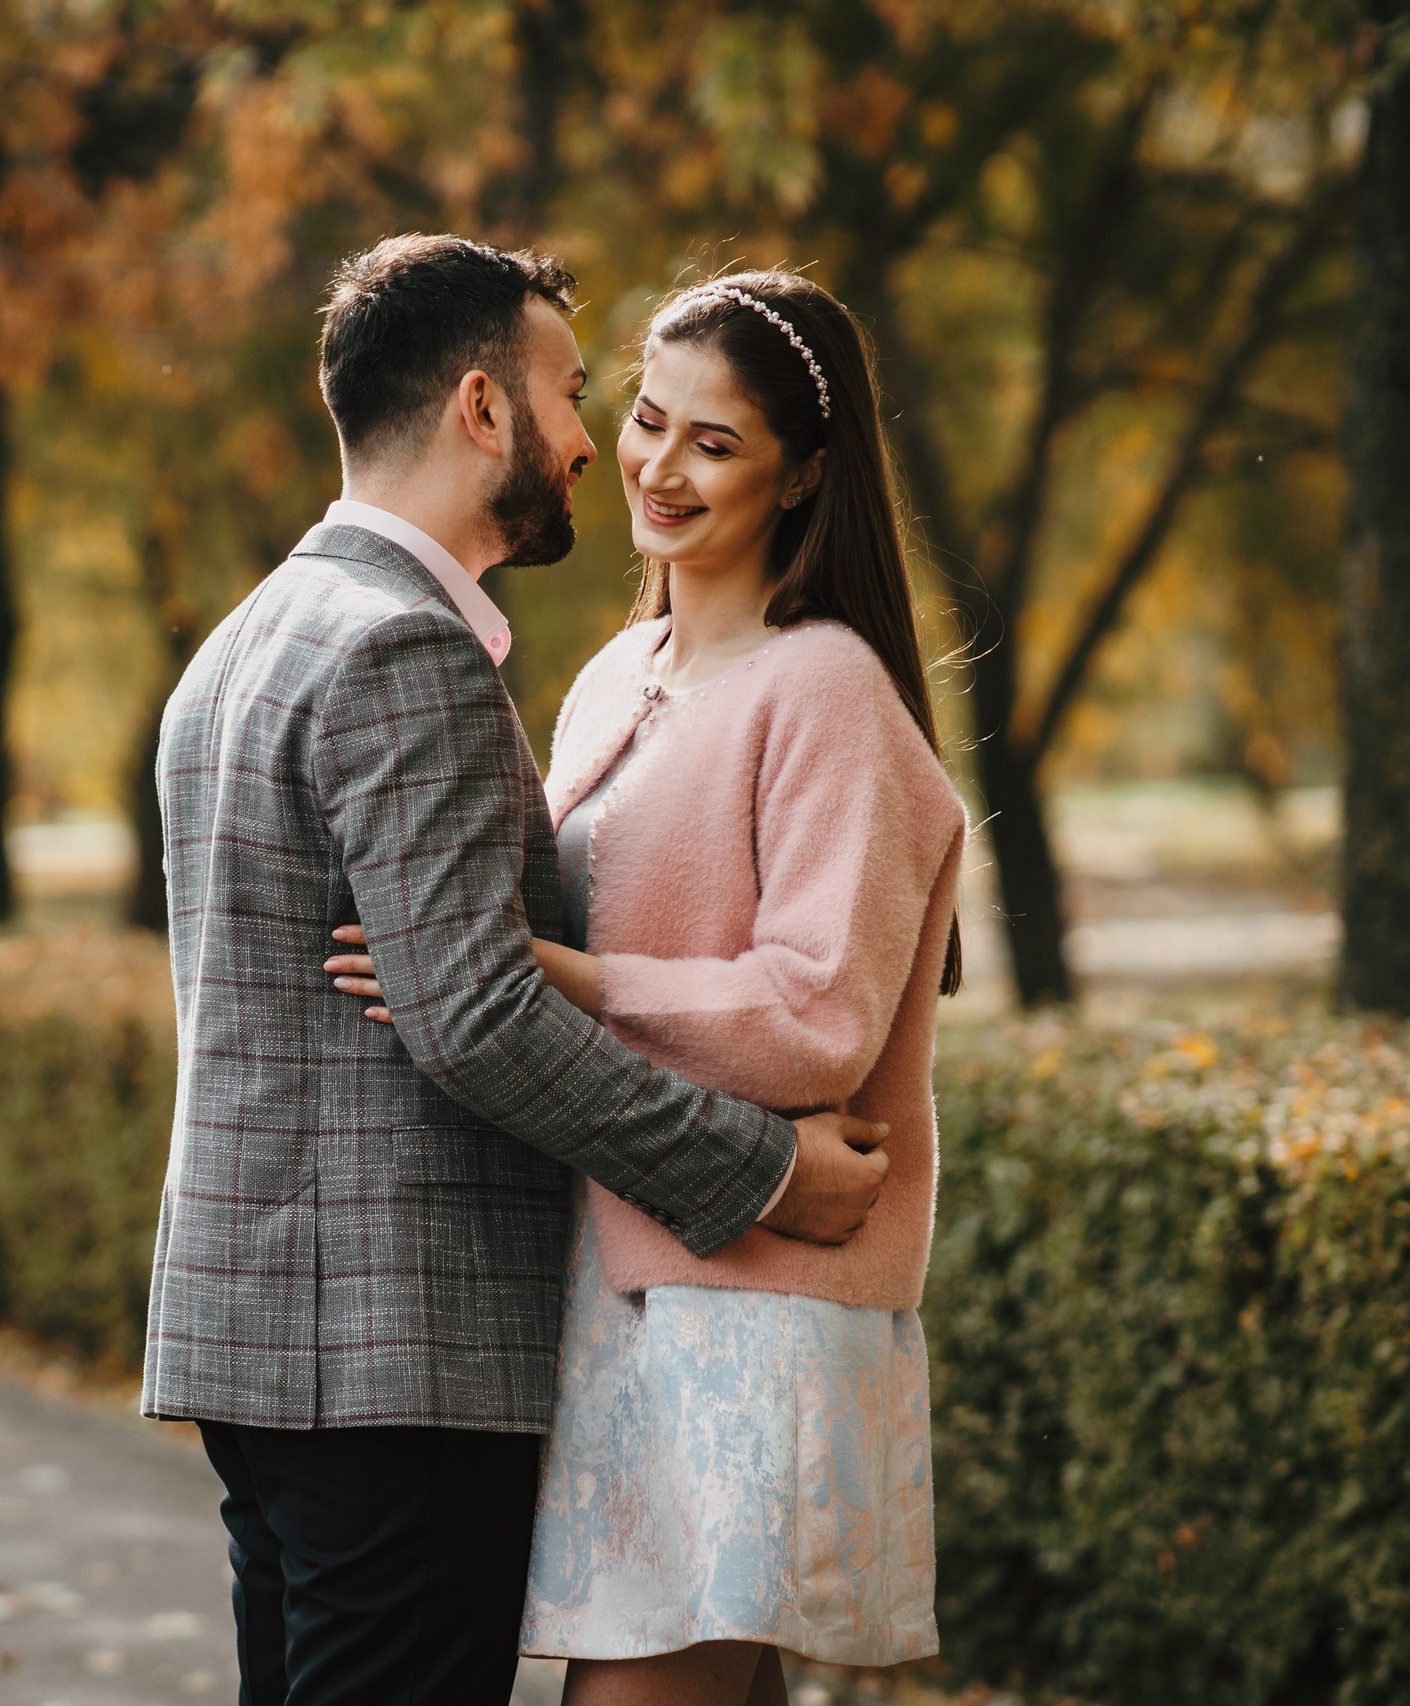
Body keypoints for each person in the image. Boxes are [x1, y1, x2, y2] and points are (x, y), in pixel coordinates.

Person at [146, 235, 895, 1706]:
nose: (589, 444)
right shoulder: (400, 650)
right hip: (390, 1357)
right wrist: (760, 1171)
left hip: (265, 1342)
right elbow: (480, 1013)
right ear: (483, 409)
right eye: (573, 392)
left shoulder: (249, 638)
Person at [326, 272, 968, 1704]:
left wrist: (556, 974)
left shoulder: (827, 691)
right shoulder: (614, 676)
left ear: (804, 471)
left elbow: (819, 1019)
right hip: (613, 1287)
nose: (659, 469)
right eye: (648, 422)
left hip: (754, 1312)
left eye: (715, 443)